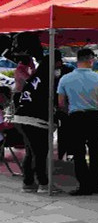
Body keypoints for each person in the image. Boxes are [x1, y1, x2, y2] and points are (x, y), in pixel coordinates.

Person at [57, 48, 98, 196]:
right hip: (93, 117)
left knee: (78, 153)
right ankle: (95, 183)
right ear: (91, 60)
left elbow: (61, 103)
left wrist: (70, 109)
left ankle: (84, 184)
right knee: (95, 152)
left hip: (75, 117)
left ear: (77, 59)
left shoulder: (65, 79)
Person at [12, 51, 62, 193]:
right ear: (54, 63)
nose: (60, 66)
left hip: (21, 117)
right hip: (35, 119)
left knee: (31, 152)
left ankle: (28, 182)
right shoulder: (48, 79)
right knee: (40, 153)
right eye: (59, 64)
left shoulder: (35, 77)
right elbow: (53, 100)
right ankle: (43, 183)